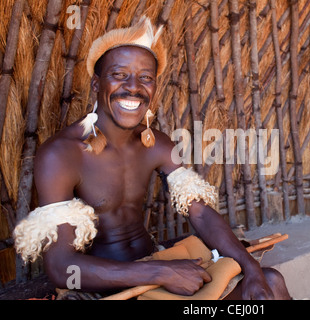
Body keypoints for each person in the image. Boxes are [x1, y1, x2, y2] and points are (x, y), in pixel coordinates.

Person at [13, 16, 291, 300]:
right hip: (108, 288)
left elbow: (201, 213)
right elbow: (62, 268)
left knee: (270, 282)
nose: (133, 87)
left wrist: (252, 268)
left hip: (156, 270)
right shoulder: (61, 154)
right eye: (119, 75)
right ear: (96, 84)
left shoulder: (156, 143)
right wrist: (162, 273)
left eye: (145, 78)